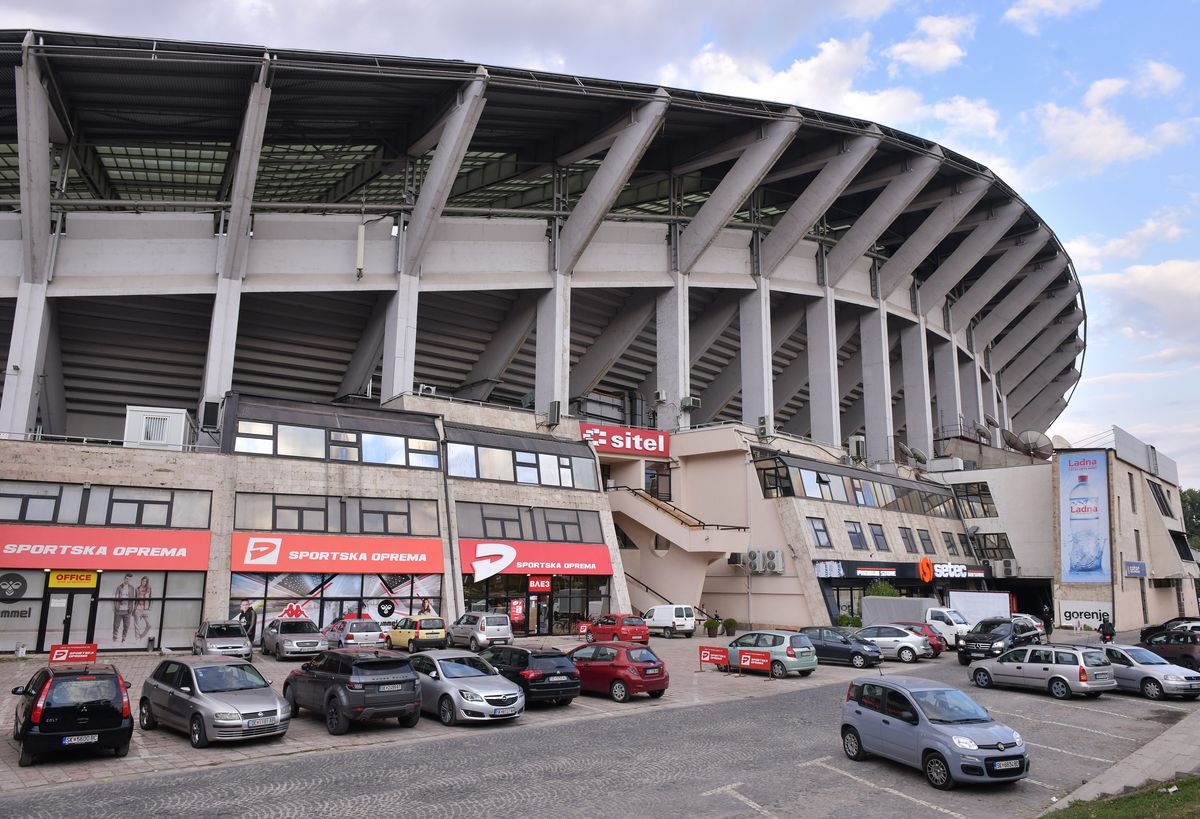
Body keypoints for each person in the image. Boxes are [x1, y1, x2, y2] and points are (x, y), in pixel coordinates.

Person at [112, 573, 135, 643]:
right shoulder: (119, 587)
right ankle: (115, 639)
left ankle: (123, 639)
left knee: (126, 626)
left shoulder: (131, 588)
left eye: (129, 579)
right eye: (127, 579)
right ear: (124, 579)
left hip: (127, 610)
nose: (128, 580)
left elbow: (132, 599)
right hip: (119, 609)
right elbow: (116, 597)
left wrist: (131, 608)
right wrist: (115, 606)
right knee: (116, 625)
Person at [133, 576, 153, 640]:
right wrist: (134, 609)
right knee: (137, 625)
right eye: (143, 581)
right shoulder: (137, 589)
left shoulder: (149, 589)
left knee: (149, 624)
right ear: (141, 581)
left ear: (147, 582)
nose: (144, 582)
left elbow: (151, 599)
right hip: (138, 608)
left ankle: (141, 636)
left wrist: (149, 607)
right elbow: (135, 599)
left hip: (145, 609)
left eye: (145, 581)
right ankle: (137, 639)